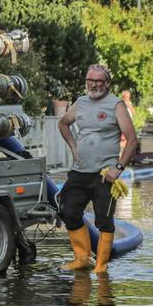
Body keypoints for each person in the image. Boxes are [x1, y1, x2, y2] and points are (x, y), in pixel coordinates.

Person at [57, 64, 138, 274]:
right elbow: (63, 123)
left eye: (98, 81)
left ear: (107, 84)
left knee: (104, 221)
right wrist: (74, 146)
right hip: (80, 171)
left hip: (105, 175)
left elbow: (132, 140)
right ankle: (82, 258)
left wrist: (118, 168)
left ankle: (101, 266)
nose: (93, 84)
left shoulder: (116, 105)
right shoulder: (81, 103)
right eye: (89, 80)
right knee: (66, 210)